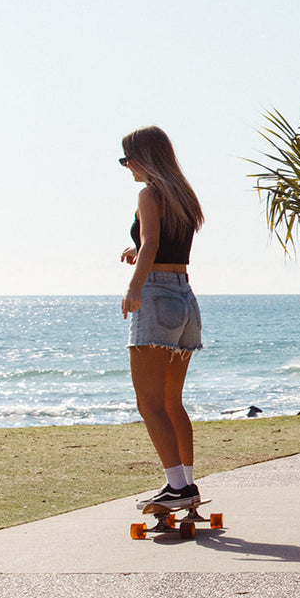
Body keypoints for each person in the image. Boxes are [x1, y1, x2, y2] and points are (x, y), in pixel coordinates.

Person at [119, 126, 205, 513]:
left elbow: (153, 243)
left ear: (144, 157)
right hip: (186, 296)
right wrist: (136, 249)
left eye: (127, 160)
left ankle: (175, 487)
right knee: (173, 401)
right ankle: (186, 483)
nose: (127, 168)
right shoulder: (183, 195)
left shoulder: (149, 193)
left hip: (156, 296)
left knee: (149, 402)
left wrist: (134, 287)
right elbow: (160, 243)